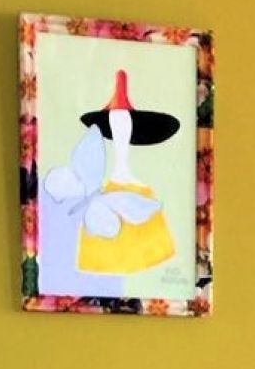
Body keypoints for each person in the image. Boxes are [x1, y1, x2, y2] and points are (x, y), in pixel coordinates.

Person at [37, 70, 180, 298]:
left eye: (123, 124)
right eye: (115, 124)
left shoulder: (137, 194)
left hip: (132, 247)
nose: (120, 131)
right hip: (101, 239)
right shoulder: (102, 183)